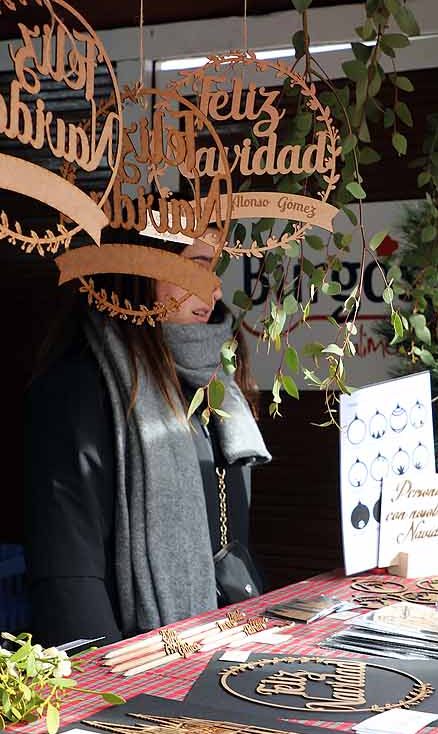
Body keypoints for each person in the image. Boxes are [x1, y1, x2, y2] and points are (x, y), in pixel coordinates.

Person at [24, 229, 271, 646]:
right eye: (195, 266)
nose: (213, 286)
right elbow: (68, 572)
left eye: (214, 268)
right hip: (130, 665)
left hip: (225, 641)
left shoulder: (215, 378)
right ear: (140, 268)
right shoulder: (80, 387)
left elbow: (231, 537)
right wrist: (105, 688)